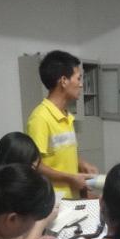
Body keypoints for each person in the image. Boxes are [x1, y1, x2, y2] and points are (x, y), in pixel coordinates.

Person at [26, 50, 98, 199]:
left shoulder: (66, 116)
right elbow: (34, 165)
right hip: (53, 199)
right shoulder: (40, 118)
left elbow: (61, 156)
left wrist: (81, 163)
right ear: (64, 81)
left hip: (72, 197)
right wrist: (70, 178)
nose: (81, 85)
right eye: (78, 79)